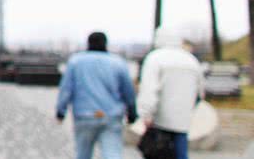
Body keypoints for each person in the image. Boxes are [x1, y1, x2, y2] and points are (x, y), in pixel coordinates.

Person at [56, 32, 138, 159]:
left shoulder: (76, 61)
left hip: (84, 114)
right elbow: (128, 90)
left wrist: (61, 111)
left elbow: (66, 89)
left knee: (83, 153)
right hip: (111, 115)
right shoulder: (118, 63)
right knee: (112, 153)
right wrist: (132, 112)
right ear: (105, 43)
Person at [137, 27, 205, 159]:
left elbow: (149, 89)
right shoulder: (191, 60)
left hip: (159, 119)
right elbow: (200, 92)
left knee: (157, 153)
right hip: (182, 119)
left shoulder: (155, 58)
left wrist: (146, 113)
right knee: (180, 152)